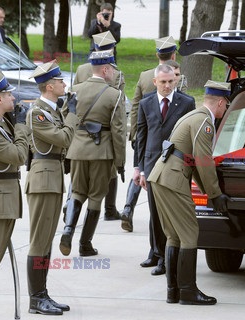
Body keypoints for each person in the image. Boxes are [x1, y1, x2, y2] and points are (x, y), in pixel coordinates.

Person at [148, 80, 232, 305]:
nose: (225, 111)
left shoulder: (191, 116)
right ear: (221, 102)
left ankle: (173, 291)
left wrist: (208, 192)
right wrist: (215, 194)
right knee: (189, 234)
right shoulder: (206, 121)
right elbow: (204, 161)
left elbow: (192, 161)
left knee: (174, 236)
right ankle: (188, 291)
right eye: (226, 106)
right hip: (173, 178)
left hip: (162, 176)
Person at [59, 50, 126, 257]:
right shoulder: (114, 96)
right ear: (105, 70)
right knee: (96, 196)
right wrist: (120, 162)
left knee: (77, 192)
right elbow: (119, 132)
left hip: (77, 150)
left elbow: (64, 118)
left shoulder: (74, 90)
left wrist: (67, 150)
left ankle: (68, 231)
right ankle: (85, 244)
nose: (114, 73)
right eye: (112, 69)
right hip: (101, 152)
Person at [25, 62, 79, 315]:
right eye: (59, 81)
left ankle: (42, 294)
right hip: (43, 179)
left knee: (46, 240)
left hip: (53, 177)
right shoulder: (38, 113)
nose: (64, 84)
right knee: (39, 241)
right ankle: (36, 298)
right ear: (49, 86)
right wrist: (73, 114)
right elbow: (64, 139)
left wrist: (66, 113)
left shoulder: (51, 110)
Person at [132, 64, 195, 275]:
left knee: (172, 213)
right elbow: (141, 136)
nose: (167, 85)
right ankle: (158, 254)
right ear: (155, 82)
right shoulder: (146, 102)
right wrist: (139, 168)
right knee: (156, 213)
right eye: (163, 82)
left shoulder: (187, 103)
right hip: (151, 165)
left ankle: (169, 256)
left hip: (175, 166)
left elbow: (191, 137)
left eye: (171, 81)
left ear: (175, 80)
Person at [0, 71, 30, 319]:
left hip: (2, 201)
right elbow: (18, 156)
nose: (13, 97)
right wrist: (21, 125)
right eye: (9, 94)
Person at [122, 36, 177, 231]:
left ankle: (128, 207)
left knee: (141, 169)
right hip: (168, 138)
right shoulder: (176, 76)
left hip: (144, 132)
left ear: (157, 55)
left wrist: (136, 133)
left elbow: (136, 105)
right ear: (174, 54)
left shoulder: (145, 76)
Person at [69, 30, 125, 221]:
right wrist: (120, 159)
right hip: (103, 137)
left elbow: (72, 103)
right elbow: (117, 111)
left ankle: (70, 212)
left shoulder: (81, 70)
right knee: (103, 182)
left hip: (79, 136)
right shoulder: (115, 73)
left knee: (77, 184)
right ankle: (110, 208)